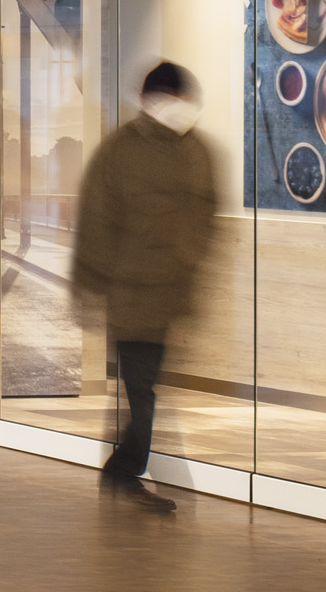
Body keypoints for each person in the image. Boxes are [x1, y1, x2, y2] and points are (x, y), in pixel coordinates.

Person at [71, 59, 221, 517]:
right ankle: (123, 472)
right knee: (142, 390)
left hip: (166, 294)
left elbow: (206, 216)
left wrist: (189, 264)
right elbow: (96, 220)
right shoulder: (125, 150)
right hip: (133, 294)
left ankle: (123, 471)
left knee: (143, 388)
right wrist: (90, 284)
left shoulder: (192, 149)